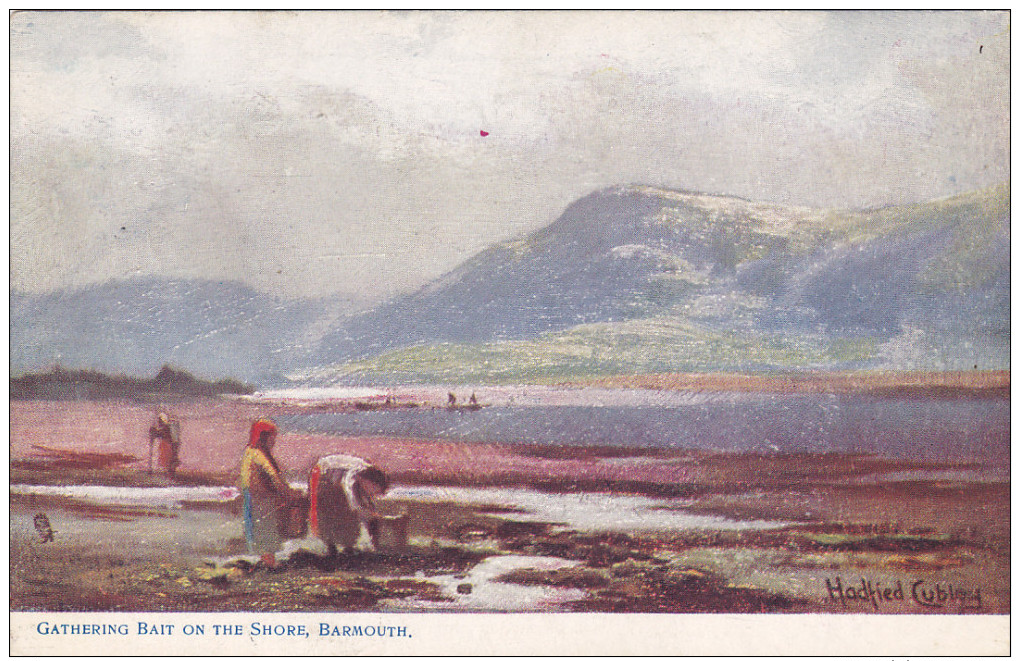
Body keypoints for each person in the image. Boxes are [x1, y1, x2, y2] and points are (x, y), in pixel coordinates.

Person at [239, 419, 303, 566]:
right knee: (265, 531)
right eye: (271, 438)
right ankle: (269, 563)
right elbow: (274, 477)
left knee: (259, 531)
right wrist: (289, 493)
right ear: (263, 437)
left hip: (253, 497)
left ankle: (267, 561)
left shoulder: (249, 452)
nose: (273, 442)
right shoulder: (258, 454)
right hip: (261, 500)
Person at [308, 454, 390, 556]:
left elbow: (368, 507)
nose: (372, 494)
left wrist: (371, 516)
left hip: (335, 480)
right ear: (371, 482)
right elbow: (349, 492)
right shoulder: (354, 474)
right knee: (332, 513)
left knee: (353, 512)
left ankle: (351, 546)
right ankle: (331, 548)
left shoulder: (364, 479)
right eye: (374, 491)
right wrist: (357, 509)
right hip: (321, 473)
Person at [148, 410, 181, 476]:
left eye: (160, 420)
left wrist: (154, 432)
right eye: (159, 420)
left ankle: (168, 473)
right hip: (165, 445)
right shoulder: (164, 428)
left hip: (168, 446)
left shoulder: (167, 427)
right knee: (164, 460)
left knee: (167, 460)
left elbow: (162, 434)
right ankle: (165, 472)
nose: (159, 422)